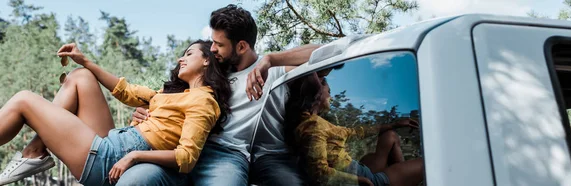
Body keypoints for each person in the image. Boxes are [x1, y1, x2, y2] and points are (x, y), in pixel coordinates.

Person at [131, 4, 320, 186]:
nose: (212, 49)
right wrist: (149, 111)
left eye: (219, 44)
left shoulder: (275, 69)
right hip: (215, 150)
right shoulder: (213, 73)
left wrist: (270, 60)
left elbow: (321, 52)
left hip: (268, 155)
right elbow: (177, 96)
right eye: (212, 41)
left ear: (242, 47)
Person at [0, 39, 231, 186]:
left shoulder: (204, 101)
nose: (181, 58)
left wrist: (135, 156)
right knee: (82, 76)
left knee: (24, 100)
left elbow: (186, 158)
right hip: (114, 142)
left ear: (206, 61)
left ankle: (34, 153)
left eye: (190, 54)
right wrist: (86, 60)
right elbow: (126, 91)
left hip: (111, 158)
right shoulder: (170, 94)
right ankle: (35, 151)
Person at [285, 72, 425, 186]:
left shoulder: (316, 122)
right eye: (329, 91)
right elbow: (319, 173)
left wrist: (394, 124)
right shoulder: (312, 126)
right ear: (318, 93)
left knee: (390, 136)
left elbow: (356, 132)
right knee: (424, 165)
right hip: (359, 178)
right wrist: (357, 181)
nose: (331, 98)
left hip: (355, 169)